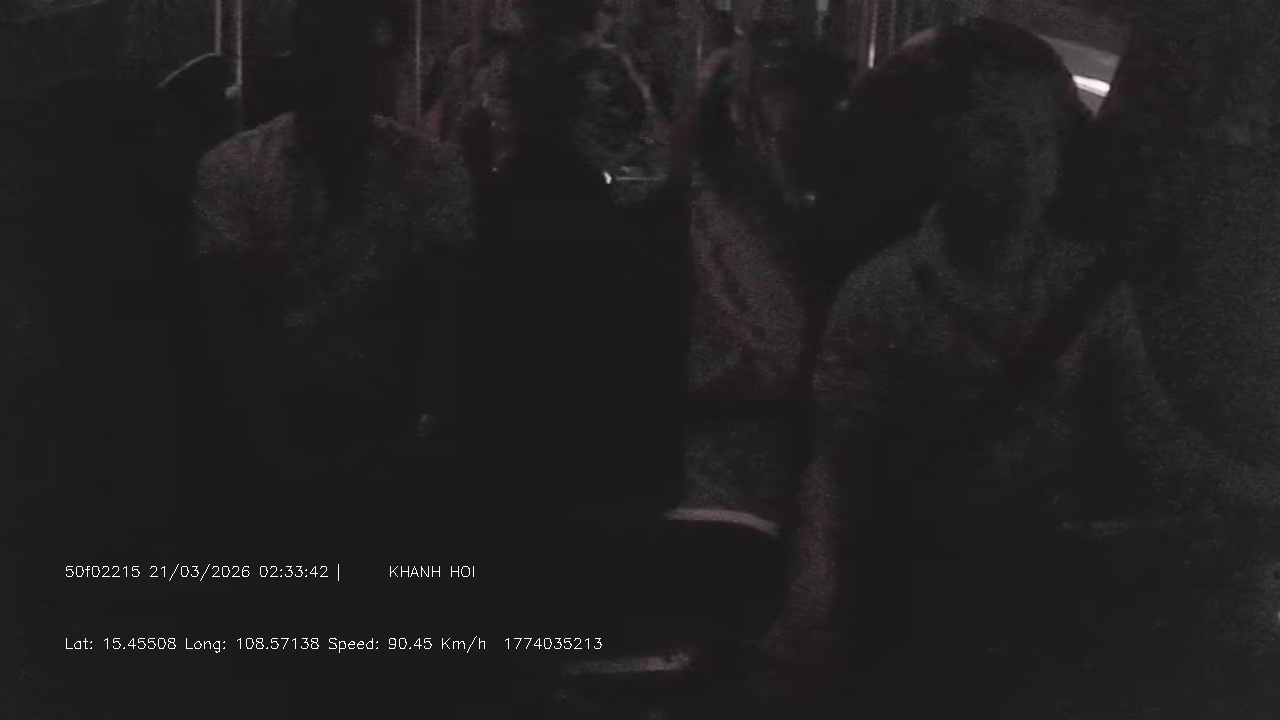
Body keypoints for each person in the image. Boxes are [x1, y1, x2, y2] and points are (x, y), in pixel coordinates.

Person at [754, 20, 1271, 718]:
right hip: (924, 596)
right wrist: (809, 602)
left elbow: (1152, 434)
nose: (1026, 162)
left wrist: (1251, 490)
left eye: (1042, 139)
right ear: (943, 140)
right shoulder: (883, 294)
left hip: (1048, 597)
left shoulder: (1090, 286)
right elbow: (838, 463)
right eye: (997, 133)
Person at [191, 0, 475, 525]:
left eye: (352, 52)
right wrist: (272, 441)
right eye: (323, 50)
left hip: (375, 414)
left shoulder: (431, 169)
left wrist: (422, 428)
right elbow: (230, 326)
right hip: (291, 415)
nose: (336, 67)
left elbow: (444, 317)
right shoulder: (237, 169)